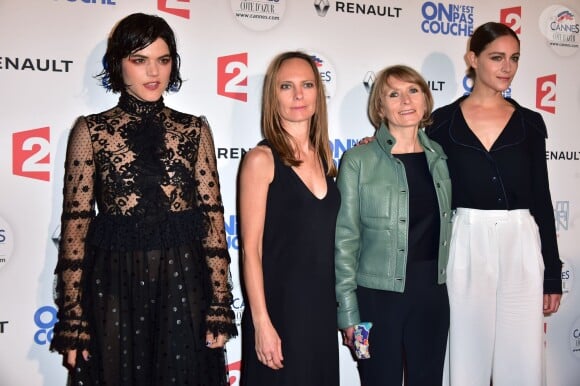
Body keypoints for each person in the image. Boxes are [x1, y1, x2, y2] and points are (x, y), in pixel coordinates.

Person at [49, 13, 237, 385]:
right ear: (120, 64)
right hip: (114, 286)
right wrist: (73, 318)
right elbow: (75, 229)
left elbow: (213, 219)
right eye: (140, 60)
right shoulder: (92, 131)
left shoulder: (194, 130)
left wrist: (218, 304)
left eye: (163, 60)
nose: (154, 72)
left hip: (184, 285)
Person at [427, 22, 562, 386]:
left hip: (520, 239)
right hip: (466, 238)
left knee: (521, 356)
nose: (507, 67)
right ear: (473, 59)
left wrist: (552, 273)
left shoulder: (530, 124)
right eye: (496, 57)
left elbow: (542, 201)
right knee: (465, 354)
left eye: (514, 58)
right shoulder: (440, 123)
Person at [335, 64, 452, 386]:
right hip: (374, 300)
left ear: (426, 100)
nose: (405, 101)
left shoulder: (439, 157)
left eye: (413, 90)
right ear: (380, 106)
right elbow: (345, 239)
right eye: (393, 94)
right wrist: (348, 313)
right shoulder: (357, 161)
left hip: (431, 295)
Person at [239, 51, 340, 386]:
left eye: (307, 84)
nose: (298, 95)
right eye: (287, 86)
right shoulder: (261, 160)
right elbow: (250, 251)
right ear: (274, 96)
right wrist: (261, 323)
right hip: (280, 313)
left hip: (322, 312)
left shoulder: (327, 159)